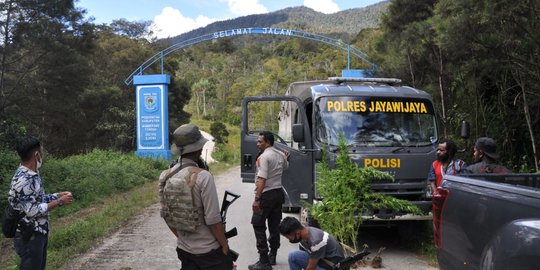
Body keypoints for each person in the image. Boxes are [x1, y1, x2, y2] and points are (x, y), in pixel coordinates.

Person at [159, 123, 232, 270]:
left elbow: (166, 215)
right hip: (209, 252)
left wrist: (182, 239)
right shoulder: (204, 177)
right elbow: (213, 220)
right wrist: (225, 246)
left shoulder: (165, 176)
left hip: (184, 250)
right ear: (199, 148)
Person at [7, 136, 74, 270]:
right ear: (36, 154)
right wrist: (59, 202)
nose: (42, 155)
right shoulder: (24, 179)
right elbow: (32, 210)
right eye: (41, 152)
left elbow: (37, 199)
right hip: (29, 235)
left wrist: (56, 196)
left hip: (37, 232)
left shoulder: (32, 174)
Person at [249, 131, 289, 270]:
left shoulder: (264, 157)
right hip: (278, 193)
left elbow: (262, 179)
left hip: (266, 194)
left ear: (268, 142)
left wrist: (257, 199)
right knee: (274, 225)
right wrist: (286, 158)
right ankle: (273, 255)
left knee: (258, 224)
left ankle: (264, 261)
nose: (257, 143)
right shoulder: (281, 154)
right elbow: (285, 167)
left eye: (260, 141)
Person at [279, 216, 345, 270]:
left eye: (288, 237)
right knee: (293, 256)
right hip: (321, 261)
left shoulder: (316, 241)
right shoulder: (304, 235)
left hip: (331, 266)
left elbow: (311, 267)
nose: (289, 239)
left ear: (297, 233)